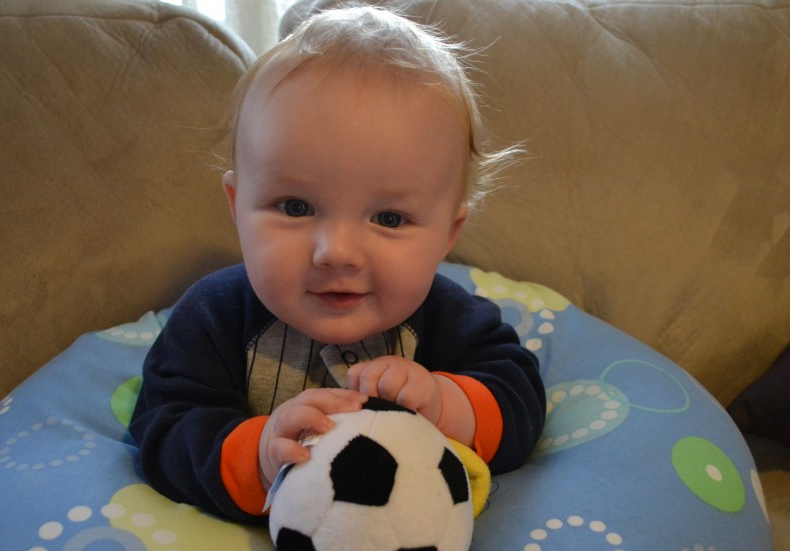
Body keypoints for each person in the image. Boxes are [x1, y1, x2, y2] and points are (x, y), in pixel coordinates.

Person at [129, 5, 546, 524]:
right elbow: (162, 428)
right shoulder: (212, 316)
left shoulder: (449, 315)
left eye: (389, 218)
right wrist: (258, 456)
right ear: (238, 207)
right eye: (296, 207)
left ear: (447, 235)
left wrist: (445, 404)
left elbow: (521, 398)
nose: (337, 253)